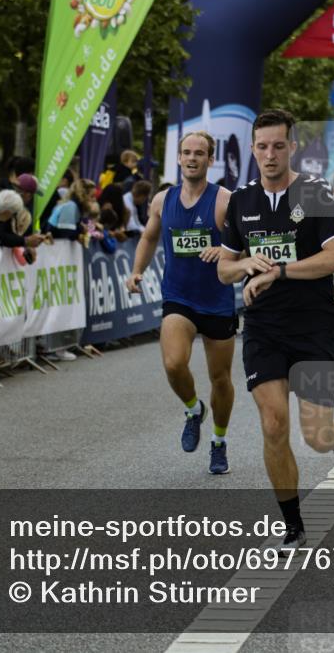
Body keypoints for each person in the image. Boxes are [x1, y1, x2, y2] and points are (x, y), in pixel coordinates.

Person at [217, 109, 334, 553]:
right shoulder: (241, 201)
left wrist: (279, 270)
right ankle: (293, 525)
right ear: (253, 149)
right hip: (263, 328)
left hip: (313, 327)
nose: (270, 154)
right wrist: (244, 263)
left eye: (278, 146)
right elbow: (224, 269)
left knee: (316, 435)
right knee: (272, 422)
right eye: (262, 146)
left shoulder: (316, 192)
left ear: (292, 147)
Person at [126, 132, 237, 475]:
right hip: (179, 298)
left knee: (221, 379)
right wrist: (137, 271)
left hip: (217, 301)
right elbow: (149, 237)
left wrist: (224, 250)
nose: (192, 158)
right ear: (178, 158)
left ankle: (218, 441)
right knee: (174, 364)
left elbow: (247, 243)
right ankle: (193, 410)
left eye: (199, 153)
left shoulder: (224, 200)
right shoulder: (163, 200)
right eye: (186, 152)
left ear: (210, 159)